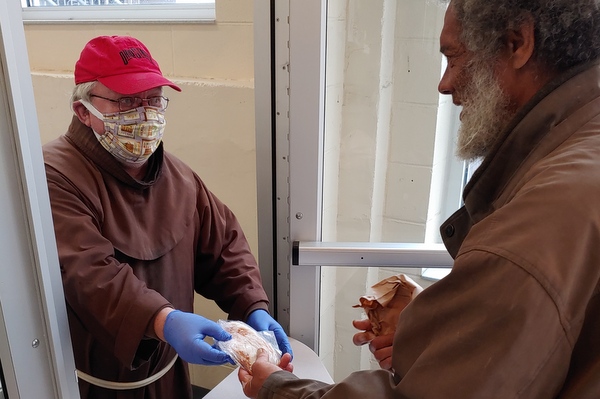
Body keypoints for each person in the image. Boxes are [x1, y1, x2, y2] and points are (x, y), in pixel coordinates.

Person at [238, 0, 600, 397]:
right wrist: (445, 324)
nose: (445, 85)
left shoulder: (538, 221)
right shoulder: (579, 154)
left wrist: (277, 388)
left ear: (518, 43)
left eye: (454, 57)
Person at [43, 35, 292, 399]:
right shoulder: (54, 175)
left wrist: (252, 305)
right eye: (127, 100)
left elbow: (223, 244)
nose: (144, 114)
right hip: (95, 381)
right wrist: (164, 319)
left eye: (154, 99)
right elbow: (88, 272)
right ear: (83, 110)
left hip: (169, 373)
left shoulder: (177, 176)